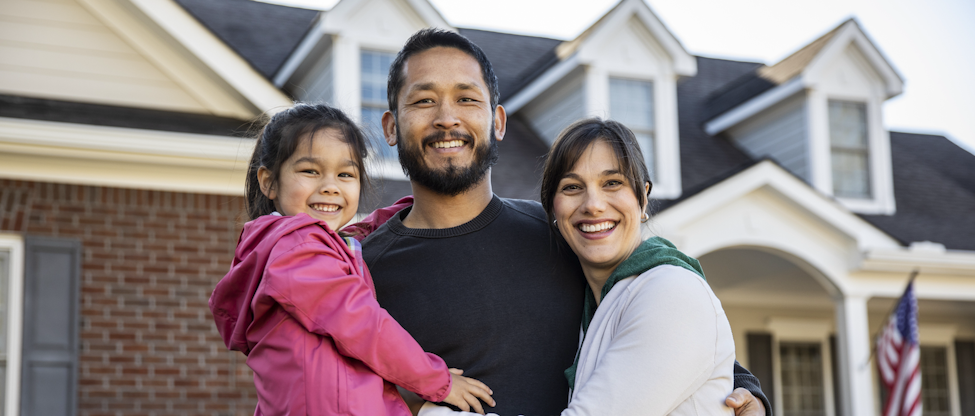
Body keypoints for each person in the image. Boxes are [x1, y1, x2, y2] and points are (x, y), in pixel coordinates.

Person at [348, 28, 773, 416]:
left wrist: (744, 387)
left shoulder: (558, 235)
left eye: (466, 98)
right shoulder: (358, 273)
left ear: (497, 122)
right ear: (390, 127)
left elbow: (662, 331)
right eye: (424, 100)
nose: (446, 117)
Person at [208, 104, 495, 415]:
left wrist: (407, 210)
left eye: (345, 174)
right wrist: (437, 380)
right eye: (310, 171)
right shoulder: (296, 250)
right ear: (269, 182)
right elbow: (363, 324)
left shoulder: (290, 248)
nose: (330, 186)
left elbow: (346, 241)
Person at [542, 118, 735, 415]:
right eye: (572, 187)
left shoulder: (673, 292)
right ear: (553, 208)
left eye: (612, 183)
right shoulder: (595, 306)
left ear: (643, 198)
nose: (593, 204)